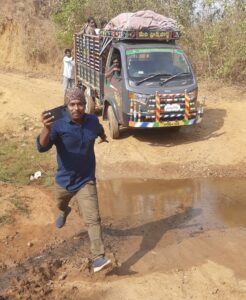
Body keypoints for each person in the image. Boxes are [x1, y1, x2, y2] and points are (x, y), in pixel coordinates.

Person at [36, 87, 111, 273]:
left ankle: (98, 258)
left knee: (93, 219)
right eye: (72, 104)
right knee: (60, 203)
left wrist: (103, 137)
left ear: (85, 105)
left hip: (86, 179)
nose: (76, 108)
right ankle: (64, 211)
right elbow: (41, 147)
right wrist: (46, 128)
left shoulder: (92, 120)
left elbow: (100, 130)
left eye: (80, 104)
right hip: (64, 181)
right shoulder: (58, 124)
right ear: (66, 106)